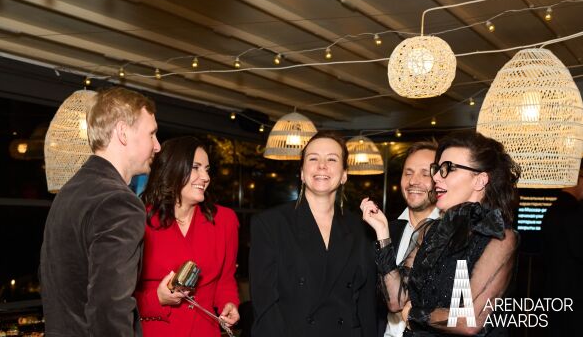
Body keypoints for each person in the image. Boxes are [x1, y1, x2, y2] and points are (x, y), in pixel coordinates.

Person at [362, 131, 519, 336]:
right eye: (438, 169)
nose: (436, 177)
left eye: (448, 169)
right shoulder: (431, 230)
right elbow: (396, 302)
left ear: (480, 180)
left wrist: (414, 315)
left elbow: (469, 322)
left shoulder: (499, 238)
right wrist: (383, 233)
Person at [40, 87, 161, 336]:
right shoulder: (120, 202)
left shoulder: (68, 192)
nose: (157, 146)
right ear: (123, 132)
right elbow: (109, 308)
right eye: (152, 134)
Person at [250, 131, 377, 337]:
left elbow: (366, 306)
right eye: (313, 158)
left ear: (344, 174)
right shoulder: (270, 224)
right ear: (302, 173)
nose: (322, 166)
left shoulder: (361, 228)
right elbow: (265, 307)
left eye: (332, 159)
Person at [135, 136, 240, 337]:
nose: (205, 177)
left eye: (207, 169)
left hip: (205, 331)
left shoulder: (225, 220)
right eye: (195, 167)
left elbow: (225, 280)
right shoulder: (139, 221)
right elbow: (117, 297)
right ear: (171, 169)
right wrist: (157, 298)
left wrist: (229, 303)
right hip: (154, 331)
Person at [380, 142, 440, 337]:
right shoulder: (385, 231)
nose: (413, 181)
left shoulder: (451, 234)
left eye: (425, 174)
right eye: (408, 173)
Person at [541, 165, 583, 336]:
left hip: (552, 290)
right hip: (575, 295)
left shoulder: (552, 211)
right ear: (579, 179)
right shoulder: (575, 212)